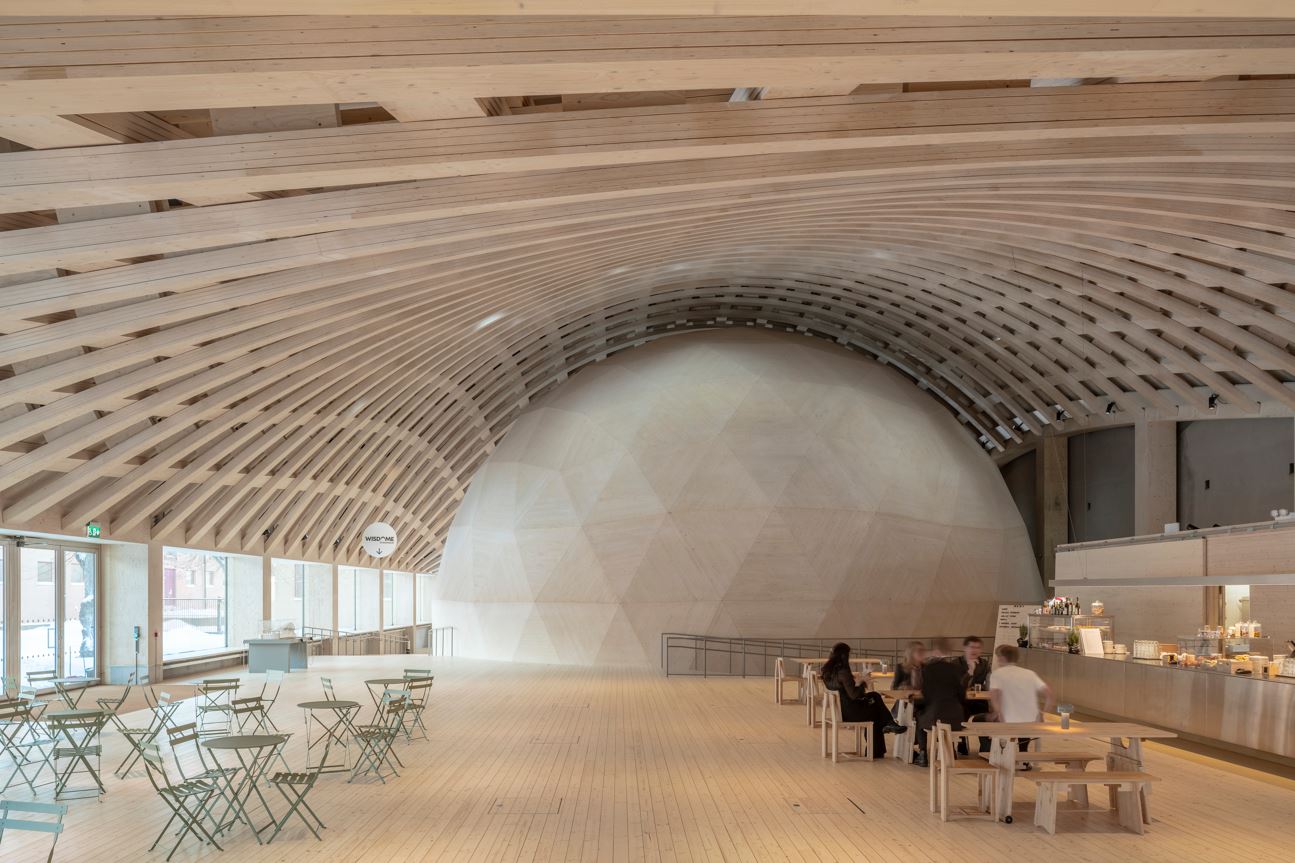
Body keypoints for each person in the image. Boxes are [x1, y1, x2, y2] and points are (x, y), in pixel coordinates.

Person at [820, 642, 905, 758]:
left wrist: (858, 682)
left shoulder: (827, 671)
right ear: (844, 656)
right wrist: (862, 682)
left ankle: (880, 743)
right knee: (875, 699)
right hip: (851, 712)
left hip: (841, 711)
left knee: (875, 705)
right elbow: (854, 695)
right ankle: (887, 726)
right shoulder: (843, 671)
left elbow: (845, 690)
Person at [973, 644, 1055, 760]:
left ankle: (988, 754)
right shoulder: (1030, 673)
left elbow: (994, 696)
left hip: (1008, 722)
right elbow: (1049, 694)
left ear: (1001, 658)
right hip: (1031, 722)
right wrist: (1042, 713)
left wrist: (998, 713)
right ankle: (1023, 753)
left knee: (978, 720)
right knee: (1023, 722)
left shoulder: (997, 674)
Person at [914, 638, 964, 767]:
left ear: (935, 651)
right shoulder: (957, 669)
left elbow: (926, 696)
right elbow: (962, 696)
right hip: (955, 716)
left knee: (919, 716)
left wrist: (918, 705)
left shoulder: (928, 669)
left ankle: (923, 753)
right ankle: (950, 750)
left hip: (935, 716)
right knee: (945, 719)